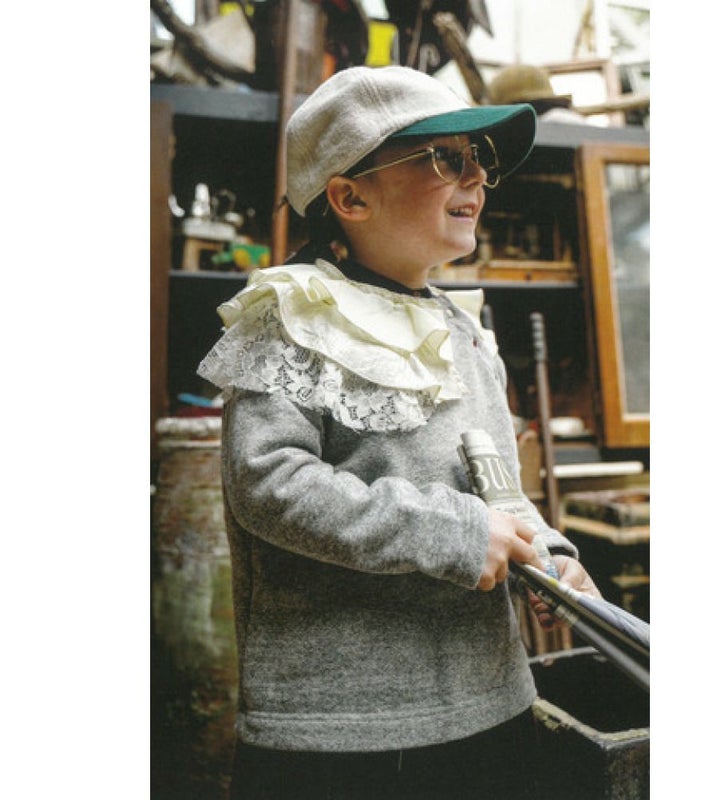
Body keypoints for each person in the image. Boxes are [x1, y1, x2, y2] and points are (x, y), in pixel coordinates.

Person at [198, 65, 600, 800]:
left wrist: (549, 556)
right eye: (444, 157)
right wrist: (452, 534)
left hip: (492, 706)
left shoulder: (465, 332)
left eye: (479, 156)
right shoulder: (291, 317)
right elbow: (268, 484)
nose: (476, 176)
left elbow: (498, 493)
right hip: (343, 735)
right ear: (350, 197)